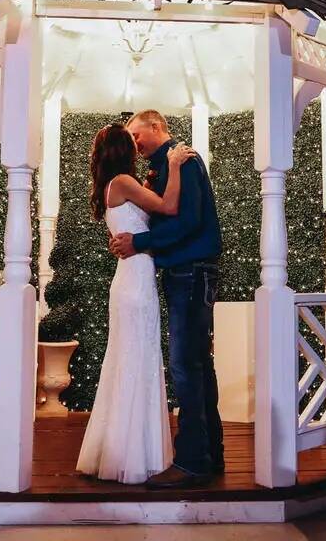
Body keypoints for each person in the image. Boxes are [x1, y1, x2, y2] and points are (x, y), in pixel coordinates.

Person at [108, 110, 224, 487]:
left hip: (191, 272)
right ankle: (210, 454)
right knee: (196, 365)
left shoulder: (183, 159)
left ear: (157, 127)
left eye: (138, 135)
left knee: (185, 366)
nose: (134, 144)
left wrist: (139, 241)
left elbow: (187, 220)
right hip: (186, 272)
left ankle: (193, 461)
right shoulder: (160, 167)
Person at [76, 123, 196, 484]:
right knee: (139, 359)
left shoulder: (117, 185)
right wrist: (174, 166)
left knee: (130, 359)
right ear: (121, 149)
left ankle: (122, 450)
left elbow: (145, 217)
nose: (136, 145)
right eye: (131, 142)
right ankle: (135, 454)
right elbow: (169, 207)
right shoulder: (124, 183)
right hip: (136, 281)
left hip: (131, 277)